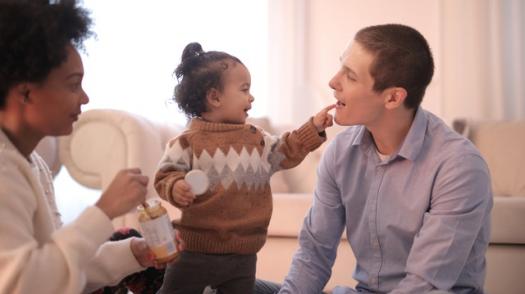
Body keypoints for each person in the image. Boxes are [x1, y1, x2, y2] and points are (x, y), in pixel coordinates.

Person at [255, 24, 493, 293]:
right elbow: (314, 254)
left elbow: (423, 285)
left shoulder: (459, 167)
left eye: (351, 77)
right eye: (340, 67)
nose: (333, 82)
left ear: (392, 97)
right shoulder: (341, 152)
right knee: (232, 286)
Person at [0, 1, 169, 293]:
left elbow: (56, 266)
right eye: (73, 84)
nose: (85, 97)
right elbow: (24, 284)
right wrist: (104, 210)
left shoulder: (31, 162)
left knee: (126, 239)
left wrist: (132, 254)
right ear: (26, 93)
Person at [153, 42, 334, 294]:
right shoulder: (186, 142)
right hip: (195, 252)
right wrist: (176, 186)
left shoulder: (256, 139)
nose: (251, 97)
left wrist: (313, 128)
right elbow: (165, 175)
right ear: (215, 97)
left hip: (243, 254)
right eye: (244, 89)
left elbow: (286, 149)